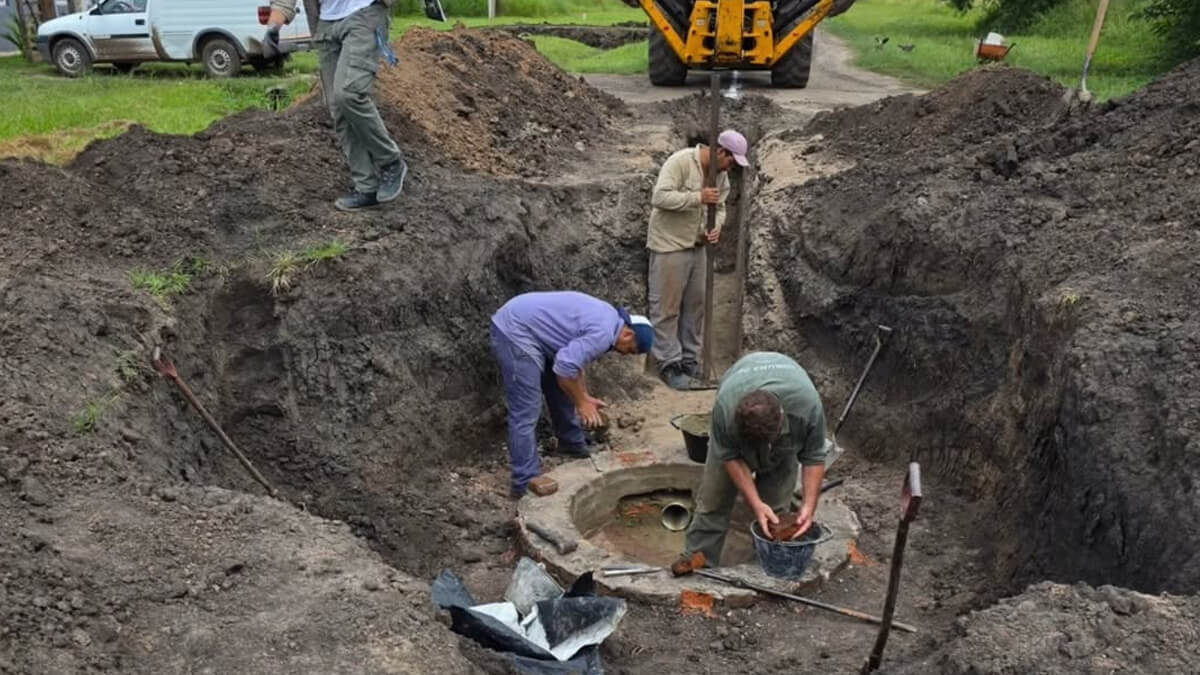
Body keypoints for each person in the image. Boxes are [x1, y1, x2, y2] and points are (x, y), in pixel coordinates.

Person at [490, 291, 654, 497]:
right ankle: (524, 481)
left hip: (530, 326)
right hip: (515, 331)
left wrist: (584, 396)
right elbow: (566, 368)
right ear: (628, 334)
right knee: (526, 409)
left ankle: (572, 443)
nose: (624, 354)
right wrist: (582, 403)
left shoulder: (610, 320)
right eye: (629, 350)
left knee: (563, 389)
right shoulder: (603, 334)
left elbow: (574, 364)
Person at [682, 351, 828, 566]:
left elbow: (814, 457)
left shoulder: (807, 407)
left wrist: (808, 505)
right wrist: (755, 503)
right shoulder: (726, 408)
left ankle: (763, 564)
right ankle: (699, 563)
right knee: (713, 502)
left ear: (780, 418)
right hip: (737, 410)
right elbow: (731, 456)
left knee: (776, 510)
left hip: (786, 437)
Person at [266, 0, 407, 212]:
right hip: (325, 24)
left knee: (349, 94)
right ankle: (366, 187)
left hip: (364, 14)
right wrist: (273, 26)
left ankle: (390, 161)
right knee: (338, 110)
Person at [646, 129, 749, 390]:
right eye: (731, 161)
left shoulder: (721, 177)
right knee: (666, 309)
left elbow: (721, 207)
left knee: (696, 306)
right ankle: (669, 364)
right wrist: (697, 198)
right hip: (670, 245)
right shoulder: (680, 162)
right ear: (720, 152)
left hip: (698, 246)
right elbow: (659, 197)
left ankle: (689, 361)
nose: (731, 168)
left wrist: (717, 227)